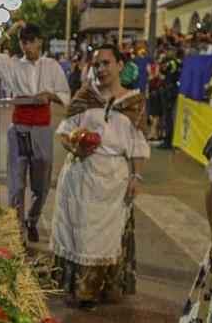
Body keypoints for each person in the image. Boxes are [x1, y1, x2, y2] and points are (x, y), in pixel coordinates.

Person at [51, 45, 148, 307]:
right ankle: (81, 291)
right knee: (80, 235)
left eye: (106, 63)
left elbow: (138, 144)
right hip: (81, 176)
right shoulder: (85, 97)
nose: (102, 69)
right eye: (97, 65)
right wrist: (74, 143)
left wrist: (137, 178)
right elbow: (63, 131)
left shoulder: (135, 102)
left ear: (119, 65)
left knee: (107, 236)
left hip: (114, 179)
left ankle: (104, 289)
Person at [0, 26, 70, 243]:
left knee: (41, 183)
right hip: (19, 128)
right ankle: (17, 228)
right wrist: (10, 30)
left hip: (42, 128)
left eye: (31, 41)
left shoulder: (51, 66)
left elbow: (65, 94)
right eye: (23, 41)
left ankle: (33, 219)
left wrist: (49, 95)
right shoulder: (13, 64)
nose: (27, 45)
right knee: (16, 183)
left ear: (39, 42)